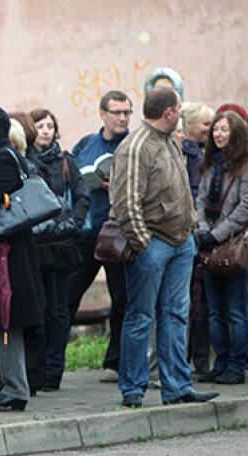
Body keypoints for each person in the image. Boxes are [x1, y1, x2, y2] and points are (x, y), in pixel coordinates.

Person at [110, 86, 219, 407]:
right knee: (141, 316)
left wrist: (191, 228)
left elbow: (183, 189)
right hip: (153, 243)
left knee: (176, 315)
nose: (182, 116)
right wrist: (143, 243)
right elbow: (126, 202)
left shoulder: (171, 142)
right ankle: (132, 388)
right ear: (168, 113)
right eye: (179, 110)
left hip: (180, 242)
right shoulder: (136, 147)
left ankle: (177, 386)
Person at [0, 105, 44, 412]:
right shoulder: (1, 155)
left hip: (7, 254)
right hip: (4, 250)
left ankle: (14, 388)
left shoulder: (2, 157)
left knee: (5, 317)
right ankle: (0, 385)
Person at [68, 90, 132, 383]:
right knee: (68, 294)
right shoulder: (85, 144)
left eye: (126, 112)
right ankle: (49, 362)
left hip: (121, 232)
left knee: (122, 297)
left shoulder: (135, 145)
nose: (122, 118)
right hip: (87, 231)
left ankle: (115, 362)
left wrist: (116, 187)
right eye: (117, 112)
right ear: (102, 114)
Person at [26, 108, 89, 392]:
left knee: (60, 310)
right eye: (40, 126)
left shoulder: (66, 160)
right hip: (36, 245)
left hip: (63, 245)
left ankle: (54, 371)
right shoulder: (24, 160)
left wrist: (74, 223)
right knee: (37, 308)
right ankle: (34, 371)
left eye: (50, 126)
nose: (45, 131)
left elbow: (82, 196)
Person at [195, 111, 248, 385]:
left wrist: (217, 234)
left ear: (237, 133)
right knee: (215, 311)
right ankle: (220, 362)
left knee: (236, 309)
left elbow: (247, 207)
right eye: (215, 130)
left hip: (237, 246)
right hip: (210, 247)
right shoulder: (210, 164)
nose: (218, 134)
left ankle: (237, 364)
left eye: (224, 130)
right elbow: (199, 201)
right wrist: (203, 231)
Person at [181, 102, 215, 376]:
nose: (210, 129)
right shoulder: (186, 153)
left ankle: (199, 361)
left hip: (204, 234)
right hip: (191, 233)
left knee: (199, 300)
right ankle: (192, 360)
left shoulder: (209, 152)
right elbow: (192, 193)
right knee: (191, 301)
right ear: (190, 124)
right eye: (205, 124)